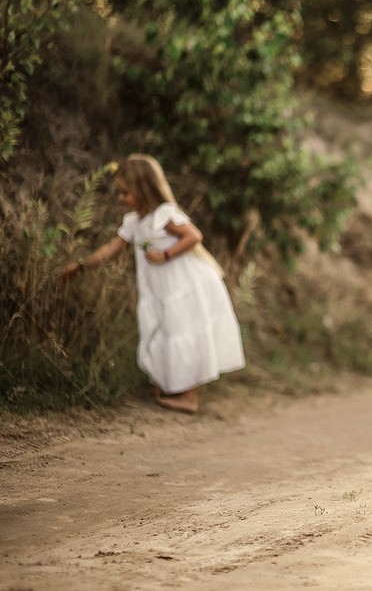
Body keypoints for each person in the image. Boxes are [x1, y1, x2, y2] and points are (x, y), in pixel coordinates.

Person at [62, 153, 245, 414]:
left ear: (144, 189)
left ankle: (189, 397)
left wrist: (165, 254)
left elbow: (193, 235)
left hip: (187, 285)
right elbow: (110, 250)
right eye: (119, 193)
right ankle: (173, 385)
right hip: (161, 289)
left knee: (186, 332)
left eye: (125, 193)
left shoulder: (165, 214)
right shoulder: (134, 222)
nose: (121, 198)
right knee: (163, 331)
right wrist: (80, 266)